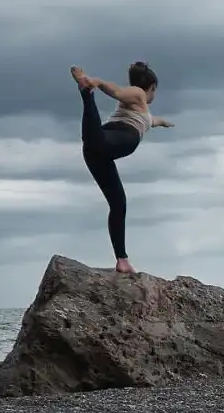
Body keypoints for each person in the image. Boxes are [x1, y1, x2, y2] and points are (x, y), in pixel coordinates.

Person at [69, 62, 172, 274]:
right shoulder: (138, 94)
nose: (153, 96)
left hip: (99, 149)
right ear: (151, 87)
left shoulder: (139, 108)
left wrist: (164, 123)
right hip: (121, 137)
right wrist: (95, 82)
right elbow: (117, 91)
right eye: (155, 91)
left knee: (118, 203)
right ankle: (87, 92)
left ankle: (122, 260)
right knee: (95, 142)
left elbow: (151, 120)